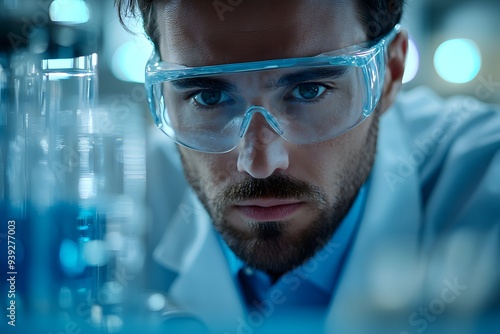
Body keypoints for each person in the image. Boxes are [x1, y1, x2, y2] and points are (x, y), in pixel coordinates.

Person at [116, 1, 500, 333]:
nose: (261, 163)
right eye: (208, 96)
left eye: (309, 90)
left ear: (389, 73)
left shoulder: (484, 180)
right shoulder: (112, 197)